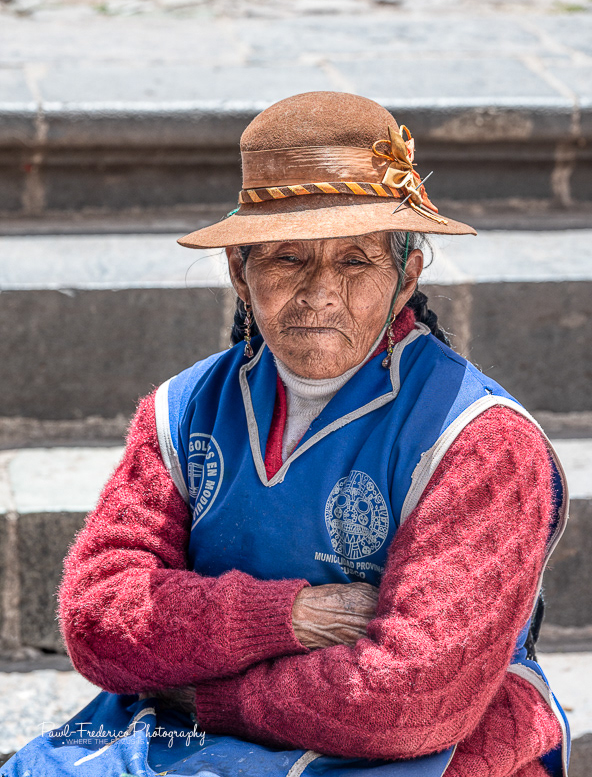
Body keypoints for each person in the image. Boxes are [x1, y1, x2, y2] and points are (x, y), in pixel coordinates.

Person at [2, 92, 570, 777]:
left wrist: (200, 688)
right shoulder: (184, 412)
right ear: (240, 273)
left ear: (407, 276)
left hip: (424, 750)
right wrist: (288, 616)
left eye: (356, 262)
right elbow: (99, 619)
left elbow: (407, 698)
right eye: (288, 260)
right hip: (200, 735)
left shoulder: (478, 441)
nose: (320, 293)